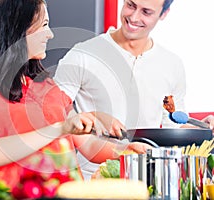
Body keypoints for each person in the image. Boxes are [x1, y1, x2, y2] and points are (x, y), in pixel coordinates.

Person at [0, 0, 150, 198]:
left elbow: (88, 146)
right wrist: (59, 128)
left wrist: (125, 150)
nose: (50, 34)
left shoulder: (48, 87)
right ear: (18, 29)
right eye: (44, 25)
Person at [54, 0, 187, 179]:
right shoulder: (83, 54)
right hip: (93, 182)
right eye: (130, 5)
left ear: (163, 14)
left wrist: (205, 129)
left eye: (146, 12)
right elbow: (53, 113)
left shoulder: (172, 65)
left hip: (148, 179)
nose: (133, 17)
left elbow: (174, 128)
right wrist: (93, 117)